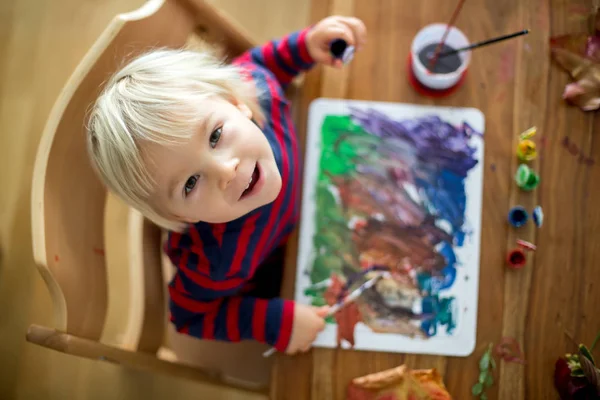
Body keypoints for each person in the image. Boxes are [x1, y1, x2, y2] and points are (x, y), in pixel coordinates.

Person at [87, 16, 367, 355]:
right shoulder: (213, 262)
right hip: (279, 269)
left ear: (235, 102)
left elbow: (262, 63)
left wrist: (305, 47)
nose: (226, 170)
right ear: (177, 214)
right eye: (190, 183)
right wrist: (273, 322)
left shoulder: (258, 91)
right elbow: (189, 317)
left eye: (215, 135)